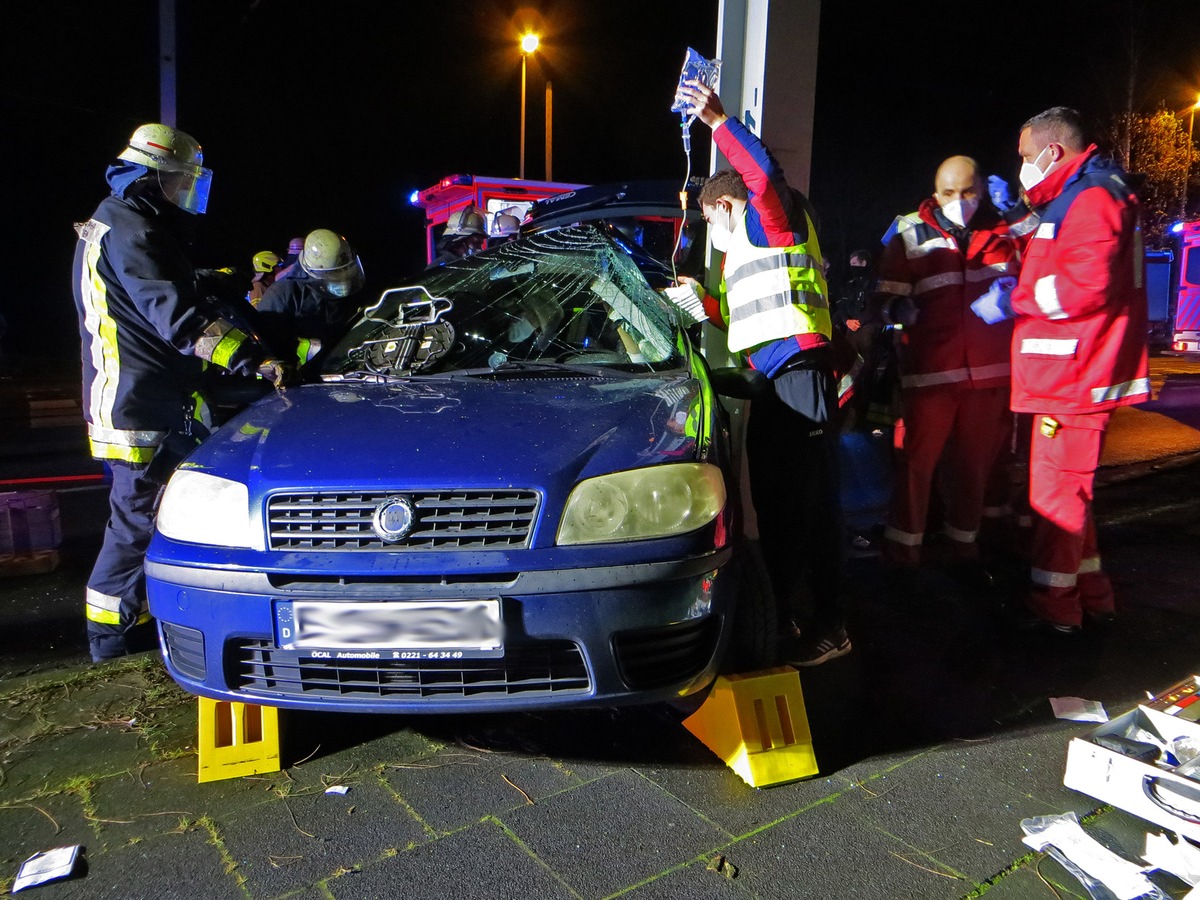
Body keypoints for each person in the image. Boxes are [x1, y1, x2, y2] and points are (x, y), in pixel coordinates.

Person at [72, 123, 291, 662]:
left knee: (153, 514)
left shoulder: (125, 221)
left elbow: (154, 290)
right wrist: (255, 359)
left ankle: (136, 620)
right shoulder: (132, 228)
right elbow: (178, 319)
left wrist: (204, 277)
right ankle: (109, 641)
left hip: (145, 398)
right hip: (138, 404)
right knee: (136, 521)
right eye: (180, 182)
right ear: (154, 179)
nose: (186, 194)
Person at [673, 79, 848, 666]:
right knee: (782, 507)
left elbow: (764, 177)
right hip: (780, 378)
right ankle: (792, 618)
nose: (713, 240)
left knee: (809, 507)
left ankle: (830, 625)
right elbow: (758, 319)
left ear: (724, 205)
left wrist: (720, 122)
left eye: (709, 224)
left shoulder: (769, 220)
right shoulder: (747, 247)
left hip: (800, 375)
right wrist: (710, 306)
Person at [971, 107, 1150, 633]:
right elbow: (1055, 246)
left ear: (1053, 152)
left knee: (1054, 500)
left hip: (1073, 376)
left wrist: (1015, 298)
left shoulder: (1092, 198)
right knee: (1070, 496)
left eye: (1026, 156)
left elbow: (1084, 284)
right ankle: (1091, 593)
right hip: (1073, 372)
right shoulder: (1085, 195)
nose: (1022, 165)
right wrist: (1016, 217)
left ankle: (1055, 609)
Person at [873, 156, 1019, 592]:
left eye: (969, 192)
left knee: (973, 468)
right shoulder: (910, 236)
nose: (960, 201)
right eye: (950, 193)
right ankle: (903, 553)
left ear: (983, 190)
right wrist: (897, 310)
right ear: (935, 195)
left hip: (988, 378)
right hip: (930, 375)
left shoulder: (1004, 236)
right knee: (917, 466)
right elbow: (881, 298)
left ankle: (963, 550)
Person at [256, 228, 365, 351]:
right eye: (335, 276)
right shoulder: (282, 294)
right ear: (314, 272)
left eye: (346, 273)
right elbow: (267, 343)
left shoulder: (352, 278)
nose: (343, 281)